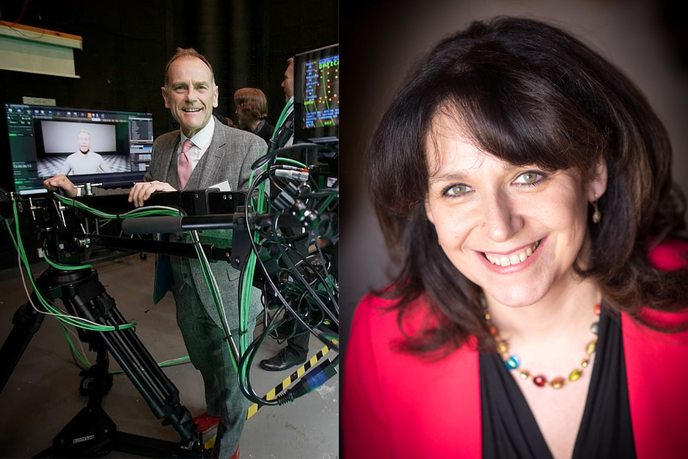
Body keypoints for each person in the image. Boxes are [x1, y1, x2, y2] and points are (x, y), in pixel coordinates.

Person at [343, 17, 688, 459]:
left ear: (594, 173)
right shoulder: (381, 335)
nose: (500, 227)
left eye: (529, 176)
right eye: (457, 189)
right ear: (427, 207)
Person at [45, 47, 266, 459]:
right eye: (180, 87)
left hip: (230, 288)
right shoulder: (164, 146)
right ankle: (215, 412)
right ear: (166, 96)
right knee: (203, 358)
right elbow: (138, 199)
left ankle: (229, 446)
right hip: (185, 284)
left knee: (233, 374)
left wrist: (180, 200)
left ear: (216, 95)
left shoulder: (248, 147)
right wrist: (80, 195)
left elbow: (250, 225)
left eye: (200, 87)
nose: (191, 96)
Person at [259, 57, 310, 372]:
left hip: (296, 210)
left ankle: (297, 349)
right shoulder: (292, 111)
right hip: (281, 209)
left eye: (287, 74)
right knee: (281, 270)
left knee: (299, 276)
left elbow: (302, 164)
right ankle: (292, 325)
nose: (281, 81)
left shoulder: (309, 113)